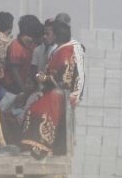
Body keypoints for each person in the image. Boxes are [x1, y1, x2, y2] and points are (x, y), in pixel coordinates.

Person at [21, 20, 85, 159]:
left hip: (60, 94)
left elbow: (65, 81)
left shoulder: (64, 52)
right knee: (32, 105)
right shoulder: (64, 50)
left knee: (36, 110)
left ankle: (42, 146)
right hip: (56, 91)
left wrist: (44, 79)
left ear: (55, 36)